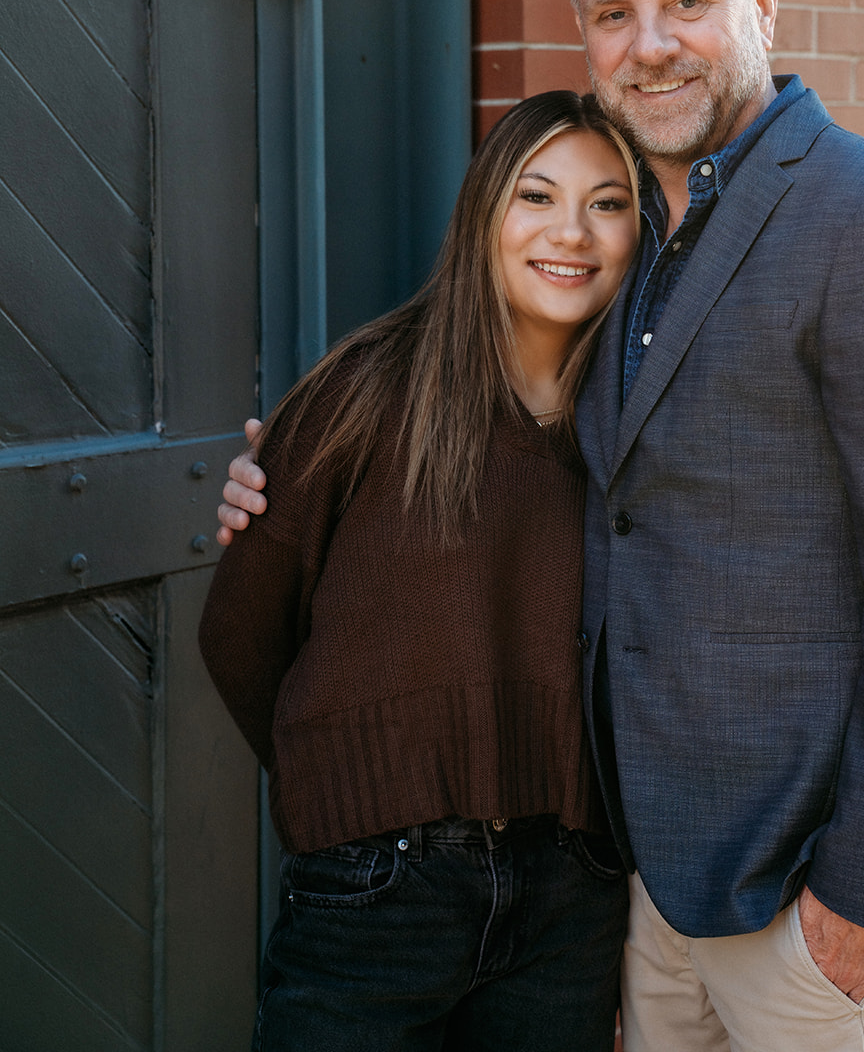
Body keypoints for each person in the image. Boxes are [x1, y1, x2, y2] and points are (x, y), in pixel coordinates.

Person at [220, 0, 864, 1052]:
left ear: (762, 1)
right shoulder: (636, 245)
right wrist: (289, 485)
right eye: (611, 14)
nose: (649, 46)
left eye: (686, 2)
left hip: (803, 896)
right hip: (639, 888)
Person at [200, 89, 641, 1052]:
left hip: (573, 893)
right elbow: (239, 632)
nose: (570, 231)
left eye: (608, 203)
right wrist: (356, 786)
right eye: (536, 195)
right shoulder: (365, 392)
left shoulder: (638, 423)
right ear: (484, 211)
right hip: (375, 887)